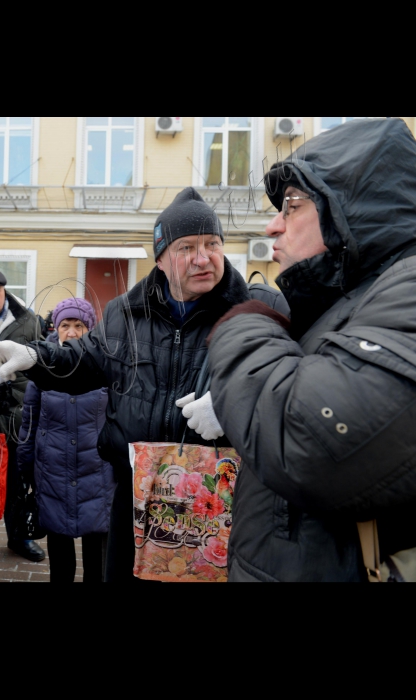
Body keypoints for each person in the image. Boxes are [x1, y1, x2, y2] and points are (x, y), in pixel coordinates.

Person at [0, 188, 274, 582]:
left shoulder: (256, 309)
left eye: (212, 244)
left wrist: (235, 403)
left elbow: (293, 384)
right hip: (135, 497)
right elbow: (83, 362)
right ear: (161, 258)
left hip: (218, 504)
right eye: (187, 247)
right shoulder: (125, 314)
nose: (203, 258)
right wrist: (34, 356)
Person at [206, 118, 416, 582]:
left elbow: (310, 440)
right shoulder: (356, 297)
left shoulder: (407, 286)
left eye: (293, 206)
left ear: (349, 207)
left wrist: (244, 323)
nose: (273, 225)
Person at [18, 298, 116, 583]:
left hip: (97, 475)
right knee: (60, 564)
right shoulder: (42, 367)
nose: (71, 332)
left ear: (90, 329)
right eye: (65, 325)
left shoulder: (106, 366)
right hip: (53, 474)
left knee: (97, 565)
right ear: (55, 328)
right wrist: (25, 468)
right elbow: (29, 423)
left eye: (79, 325)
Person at [0, 269, 45, 563]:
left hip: (15, 415)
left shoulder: (27, 323)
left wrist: (13, 396)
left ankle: (19, 537)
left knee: (16, 479)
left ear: (5, 292)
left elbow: (37, 370)